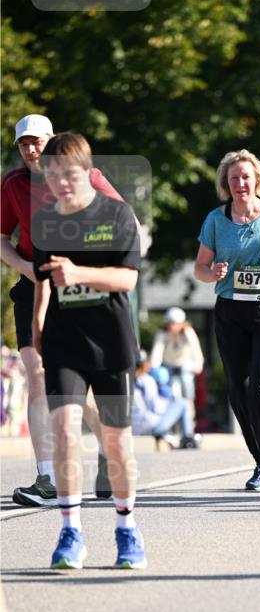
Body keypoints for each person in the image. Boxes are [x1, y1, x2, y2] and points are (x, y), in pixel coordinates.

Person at [31, 132, 146, 569]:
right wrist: (37, 326)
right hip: (64, 343)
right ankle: (70, 532)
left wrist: (80, 271)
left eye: (70, 173)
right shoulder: (45, 222)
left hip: (111, 344)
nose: (61, 181)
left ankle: (127, 529)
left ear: (87, 170)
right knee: (62, 434)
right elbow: (43, 281)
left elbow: (127, 280)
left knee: (116, 446)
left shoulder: (116, 214)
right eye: (53, 173)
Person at [1, 114, 122, 506]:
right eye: (24, 144)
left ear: (54, 141)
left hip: (76, 288)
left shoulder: (87, 176)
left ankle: (107, 451)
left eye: (38, 141)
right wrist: (27, 270)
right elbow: (1, 238)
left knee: (74, 385)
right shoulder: (13, 185)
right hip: (33, 287)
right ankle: (46, 479)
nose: (32, 150)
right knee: (37, 376)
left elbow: (123, 223)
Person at [194, 149, 260, 491]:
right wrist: (213, 273)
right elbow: (200, 268)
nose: (240, 183)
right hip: (231, 310)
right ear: (226, 184)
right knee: (238, 391)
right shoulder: (215, 219)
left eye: (245, 176)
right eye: (233, 178)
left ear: (257, 179)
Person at [132, 351, 201, 448]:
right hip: (150, 427)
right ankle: (187, 438)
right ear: (144, 364)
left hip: (132, 429)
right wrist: (168, 403)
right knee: (182, 403)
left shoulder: (125, 380)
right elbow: (155, 407)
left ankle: (175, 436)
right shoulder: (146, 380)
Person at [149, 306, 204, 411]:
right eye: (170, 323)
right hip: (168, 365)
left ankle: (190, 414)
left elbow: (195, 348)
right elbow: (157, 349)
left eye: (176, 323)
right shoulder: (162, 333)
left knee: (187, 387)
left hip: (185, 365)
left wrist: (198, 364)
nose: (173, 326)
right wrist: (154, 365)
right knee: (168, 391)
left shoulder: (188, 332)